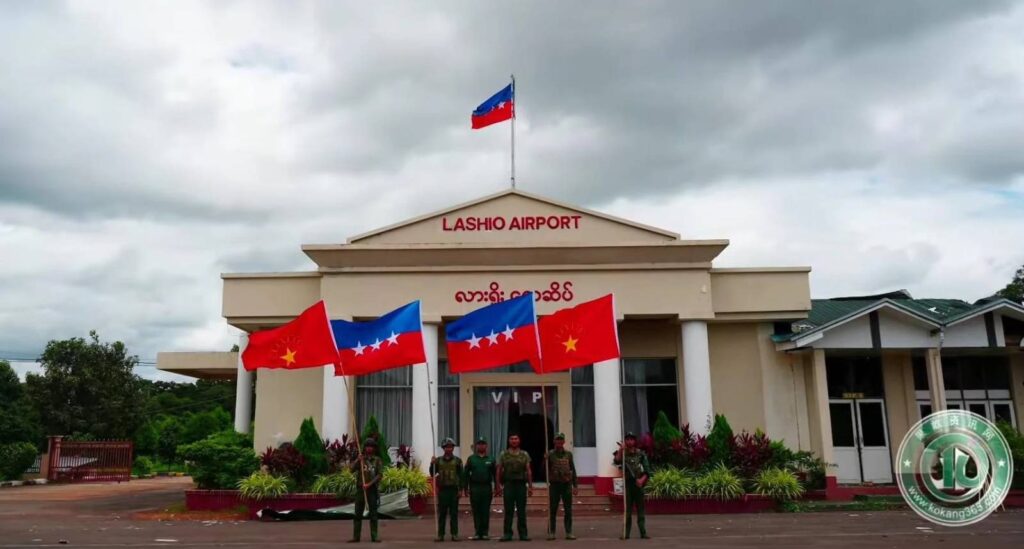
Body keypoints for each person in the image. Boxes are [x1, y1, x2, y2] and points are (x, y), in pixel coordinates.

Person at [612, 432, 650, 540]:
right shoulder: (622, 454)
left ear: (635, 441)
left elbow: (647, 470)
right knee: (627, 510)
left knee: (640, 510)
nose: (629, 441)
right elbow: (616, 461)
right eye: (627, 439)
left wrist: (641, 480)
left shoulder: (641, 454)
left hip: (639, 485)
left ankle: (643, 532)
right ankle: (626, 534)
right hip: (628, 484)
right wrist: (620, 450)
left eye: (631, 439)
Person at [496, 433, 532, 542]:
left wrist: (530, 486)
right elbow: (498, 469)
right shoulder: (503, 454)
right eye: (512, 439)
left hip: (521, 485)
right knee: (508, 511)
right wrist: (498, 485)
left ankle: (523, 534)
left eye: (516, 438)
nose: (514, 441)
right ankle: (507, 533)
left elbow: (528, 470)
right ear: (508, 441)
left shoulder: (524, 454)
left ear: (519, 440)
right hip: (509, 485)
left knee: (521, 511)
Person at [349, 438, 384, 543]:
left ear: (374, 448)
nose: (369, 448)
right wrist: (357, 460)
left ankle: (374, 536)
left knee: (373, 514)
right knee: (357, 514)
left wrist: (369, 484)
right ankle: (356, 537)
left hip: (372, 490)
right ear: (364, 448)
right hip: (360, 490)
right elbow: (351, 470)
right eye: (367, 446)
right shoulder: (361, 459)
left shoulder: (377, 460)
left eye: (371, 446)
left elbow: (379, 475)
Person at [544, 433, 578, 540]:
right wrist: (545, 460)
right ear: (554, 442)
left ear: (564, 442)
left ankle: (569, 532)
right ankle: (551, 532)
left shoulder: (568, 454)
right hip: (554, 485)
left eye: (561, 440)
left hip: (566, 485)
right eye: (557, 440)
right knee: (552, 510)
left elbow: (573, 469)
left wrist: (575, 485)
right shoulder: (550, 454)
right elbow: (543, 470)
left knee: (568, 510)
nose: (559, 442)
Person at [430, 438, 464, 542]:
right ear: (443, 448)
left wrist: (460, 489)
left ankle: (454, 534)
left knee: (454, 513)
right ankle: (440, 534)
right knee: (442, 513)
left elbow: (461, 476)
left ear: (453, 448)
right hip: (443, 490)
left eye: (451, 447)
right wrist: (432, 464)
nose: (449, 449)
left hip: (453, 490)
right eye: (447, 447)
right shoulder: (438, 460)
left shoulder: (458, 461)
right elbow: (432, 473)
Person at [463, 436, 496, 540]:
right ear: (476, 446)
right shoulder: (471, 459)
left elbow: (495, 474)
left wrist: (497, 487)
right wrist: (465, 487)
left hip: (486, 487)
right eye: (479, 444)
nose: (481, 445)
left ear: (486, 446)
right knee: (476, 510)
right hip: (475, 487)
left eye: (483, 444)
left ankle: (485, 532)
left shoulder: (491, 459)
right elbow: (466, 474)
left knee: (485, 510)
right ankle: (478, 532)